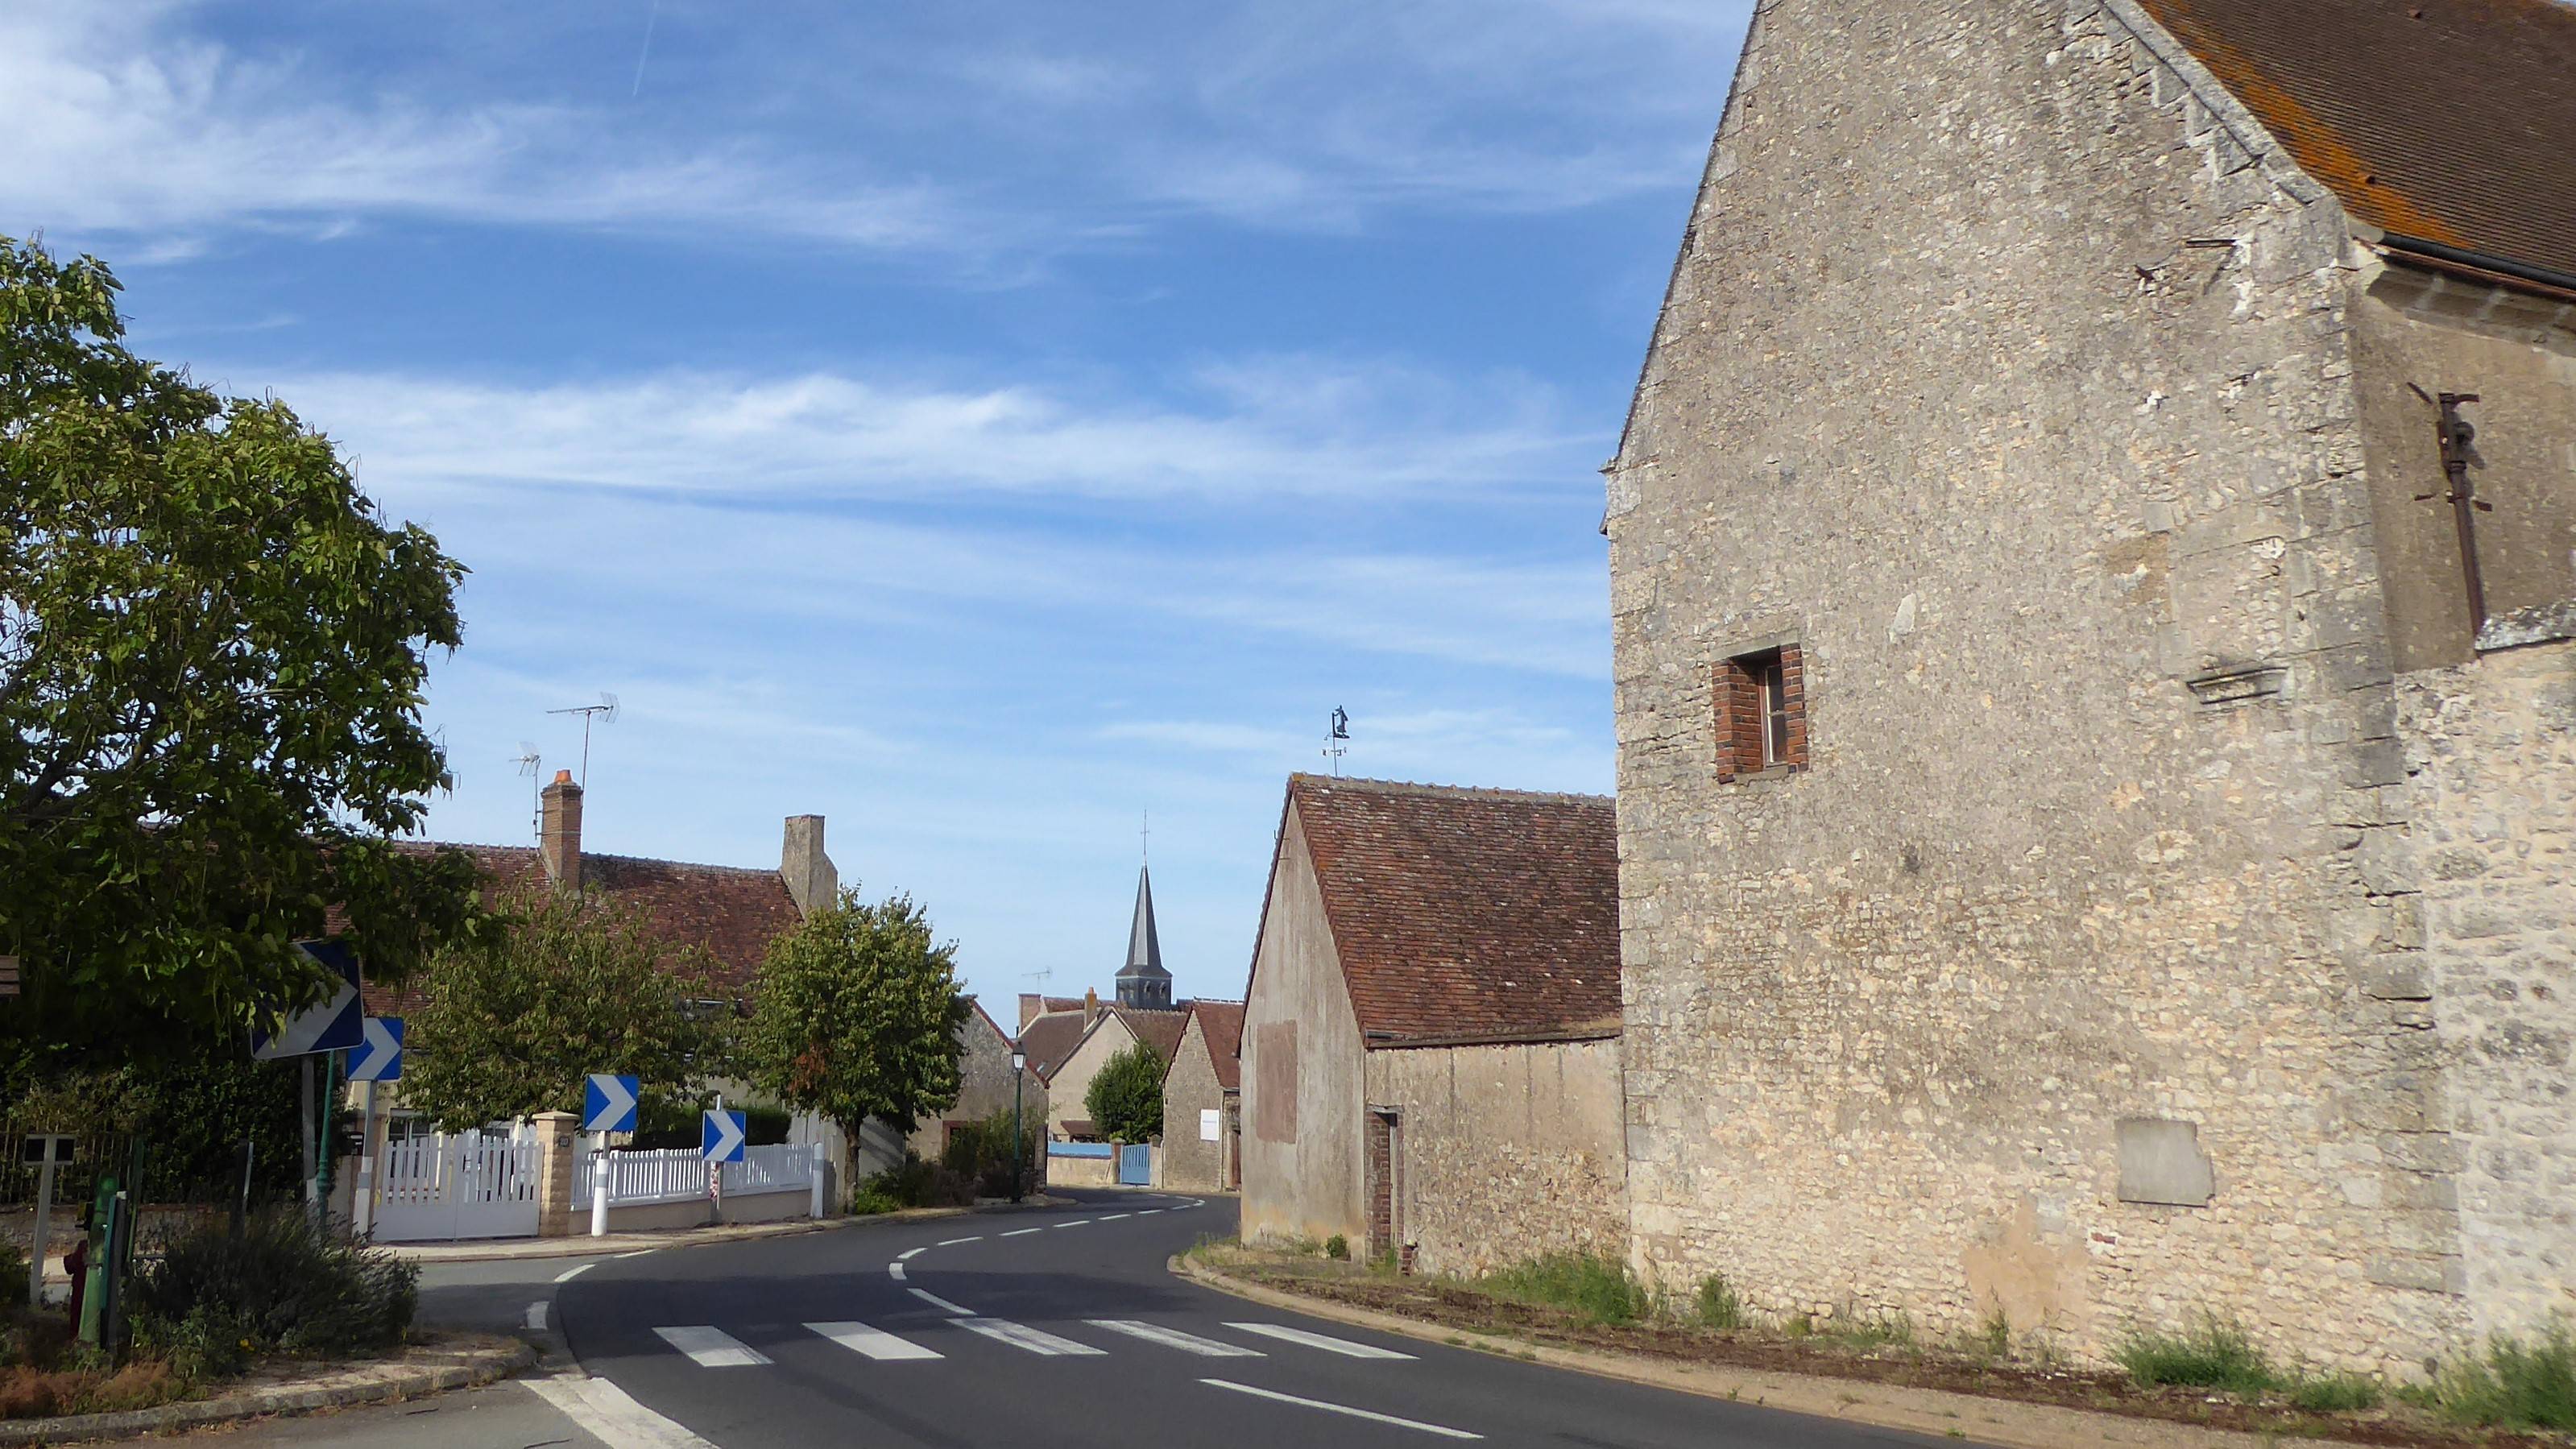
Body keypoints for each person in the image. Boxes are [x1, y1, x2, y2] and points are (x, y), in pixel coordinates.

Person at [62, 1205, 91, 1329]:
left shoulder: (83, 1246)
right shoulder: (85, 1247)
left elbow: (71, 1266)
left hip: (81, 1288)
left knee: (77, 1316)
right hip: (83, 1287)